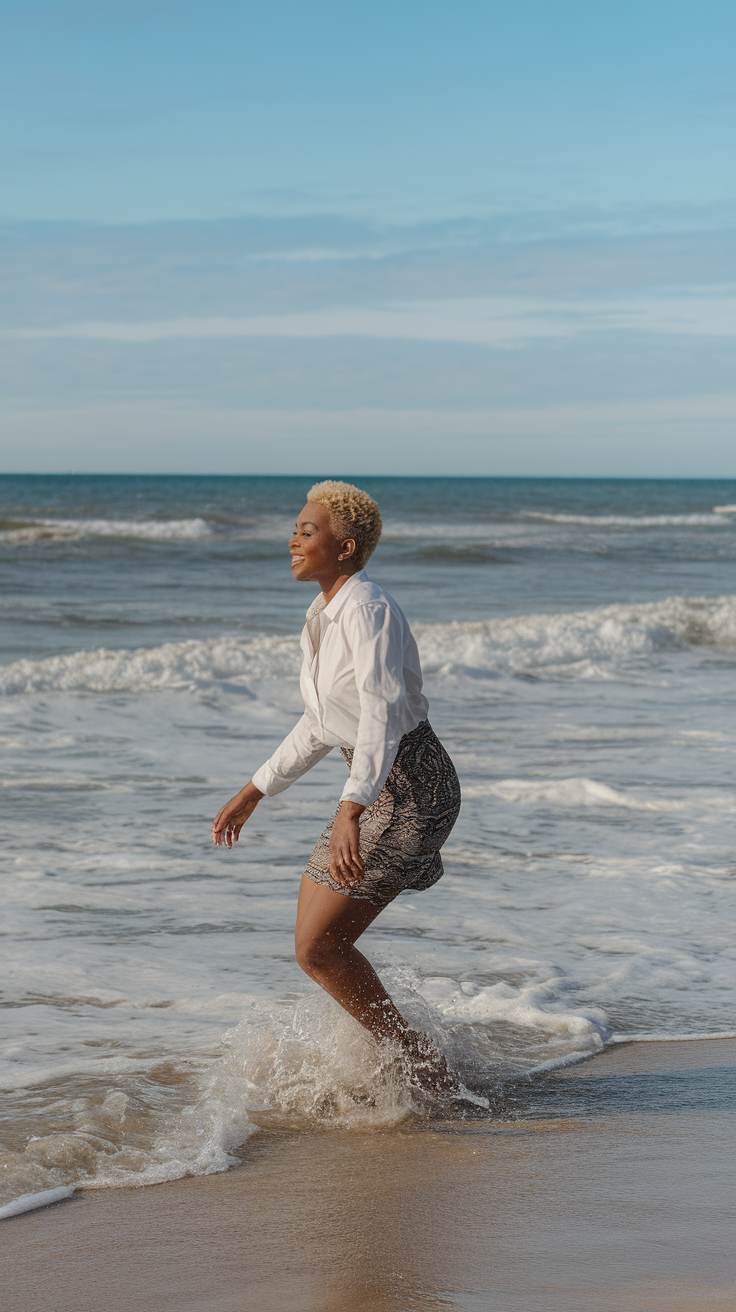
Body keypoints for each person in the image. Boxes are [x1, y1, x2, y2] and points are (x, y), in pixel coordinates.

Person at [212, 481, 461, 1090]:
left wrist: (352, 806)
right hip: (373, 781)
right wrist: (255, 790)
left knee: (319, 948)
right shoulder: (324, 613)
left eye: (308, 531)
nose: (292, 539)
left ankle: (419, 1065)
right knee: (315, 944)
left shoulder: (367, 610)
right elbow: (323, 721)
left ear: (345, 547)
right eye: (295, 529)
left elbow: (379, 711)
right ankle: (396, 1062)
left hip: (408, 787)